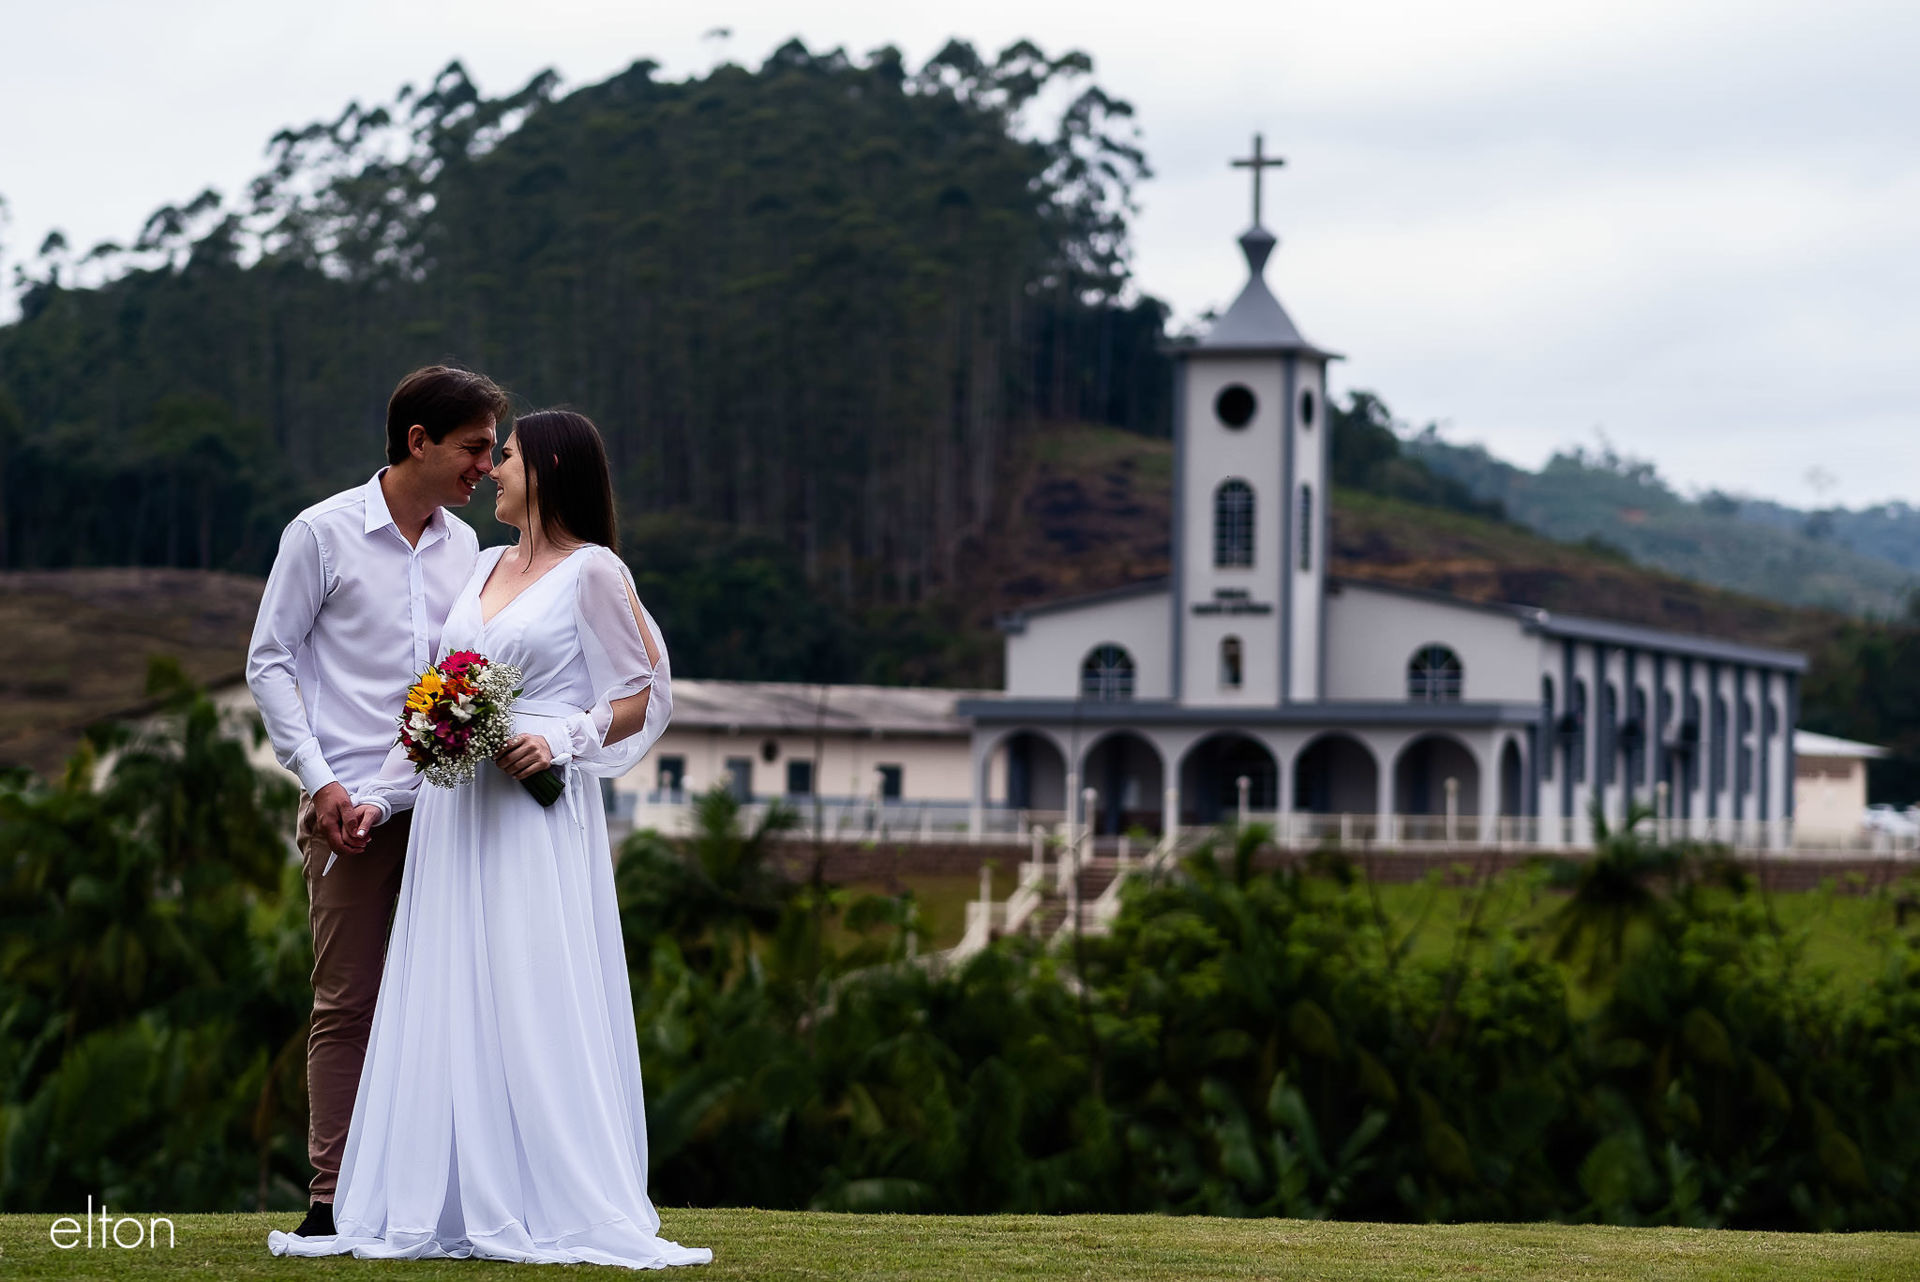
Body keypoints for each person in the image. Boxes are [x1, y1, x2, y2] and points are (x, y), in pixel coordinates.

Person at [268, 410, 710, 1268]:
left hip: (529, 812)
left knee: (527, 984)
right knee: (448, 985)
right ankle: (451, 1197)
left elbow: (646, 693)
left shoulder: (594, 572)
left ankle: (549, 1195)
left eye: (501, 457)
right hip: (451, 811)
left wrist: (566, 737)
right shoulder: (477, 566)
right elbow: (445, 705)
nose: (491, 471)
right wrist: (381, 799)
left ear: (544, 468)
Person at [247, 365, 508, 1237]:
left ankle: (428, 1199)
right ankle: (330, 1202)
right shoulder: (319, 535)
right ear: (418, 443)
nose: (487, 466)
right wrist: (321, 783)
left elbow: (453, 684)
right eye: (475, 448)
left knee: (444, 998)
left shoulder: (465, 550)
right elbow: (270, 661)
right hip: (342, 810)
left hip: (438, 806)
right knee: (348, 1002)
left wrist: (416, 782)